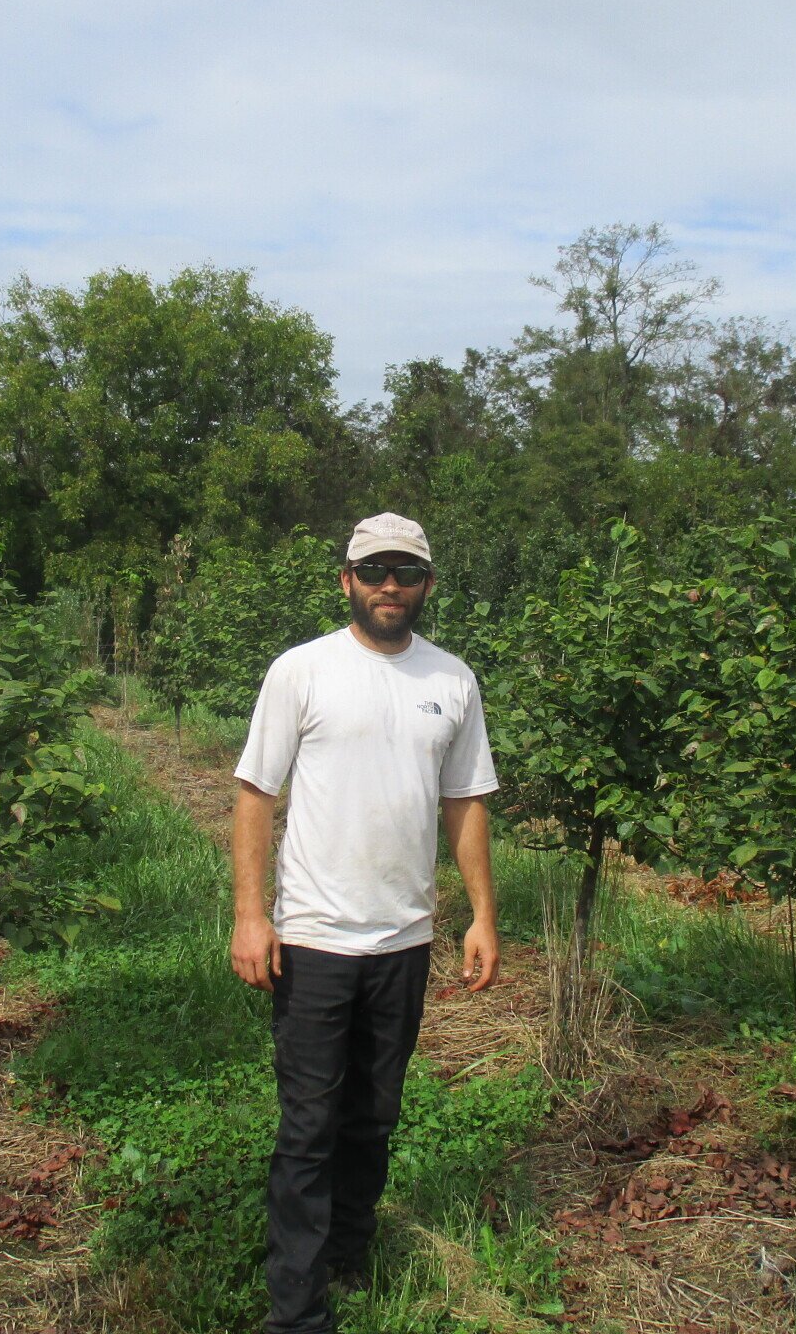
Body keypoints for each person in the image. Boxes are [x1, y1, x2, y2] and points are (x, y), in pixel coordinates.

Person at [230, 511, 501, 1334]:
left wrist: (483, 914)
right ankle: (297, 1311)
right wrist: (251, 914)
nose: (391, 585)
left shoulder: (452, 681)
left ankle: (347, 1250)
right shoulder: (302, 671)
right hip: (312, 939)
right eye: (374, 570)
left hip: (404, 940)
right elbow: (254, 797)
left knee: (374, 1115)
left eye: (406, 572)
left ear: (427, 585)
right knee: (309, 1124)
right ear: (345, 579)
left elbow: (466, 802)